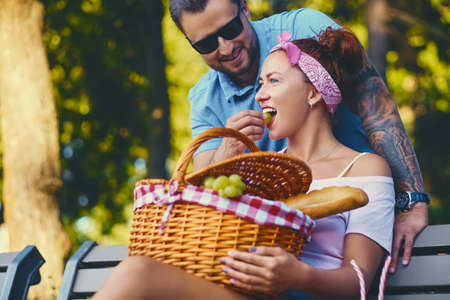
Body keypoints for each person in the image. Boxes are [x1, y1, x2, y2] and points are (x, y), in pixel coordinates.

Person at [93, 27, 394, 300]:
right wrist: (225, 157)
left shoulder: (365, 168)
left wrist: (298, 276)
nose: (260, 95)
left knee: (139, 274)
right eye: (260, 83)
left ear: (314, 93)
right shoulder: (264, 174)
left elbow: (358, 284)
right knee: (141, 274)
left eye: (274, 81)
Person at [169, 0, 429, 273]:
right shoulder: (203, 100)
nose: (225, 47)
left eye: (231, 29)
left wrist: (411, 201)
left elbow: (375, 104)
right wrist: (227, 150)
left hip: (353, 223)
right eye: (206, 44)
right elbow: (204, 197)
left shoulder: (302, 28)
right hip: (280, 249)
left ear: (244, 8)